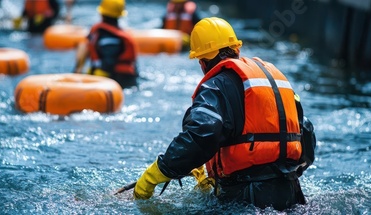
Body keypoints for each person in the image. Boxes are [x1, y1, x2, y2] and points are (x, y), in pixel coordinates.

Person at [133, 17, 316, 211]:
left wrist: (159, 171)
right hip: (291, 192)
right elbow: (306, 132)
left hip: (245, 199)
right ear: (236, 50)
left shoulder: (216, 85)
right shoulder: (275, 79)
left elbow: (202, 133)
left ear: (203, 62)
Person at [73, 0, 138, 89]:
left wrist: (89, 79)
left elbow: (108, 64)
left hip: (118, 81)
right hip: (124, 80)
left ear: (101, 13)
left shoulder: (108, 37)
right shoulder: (110, 33)